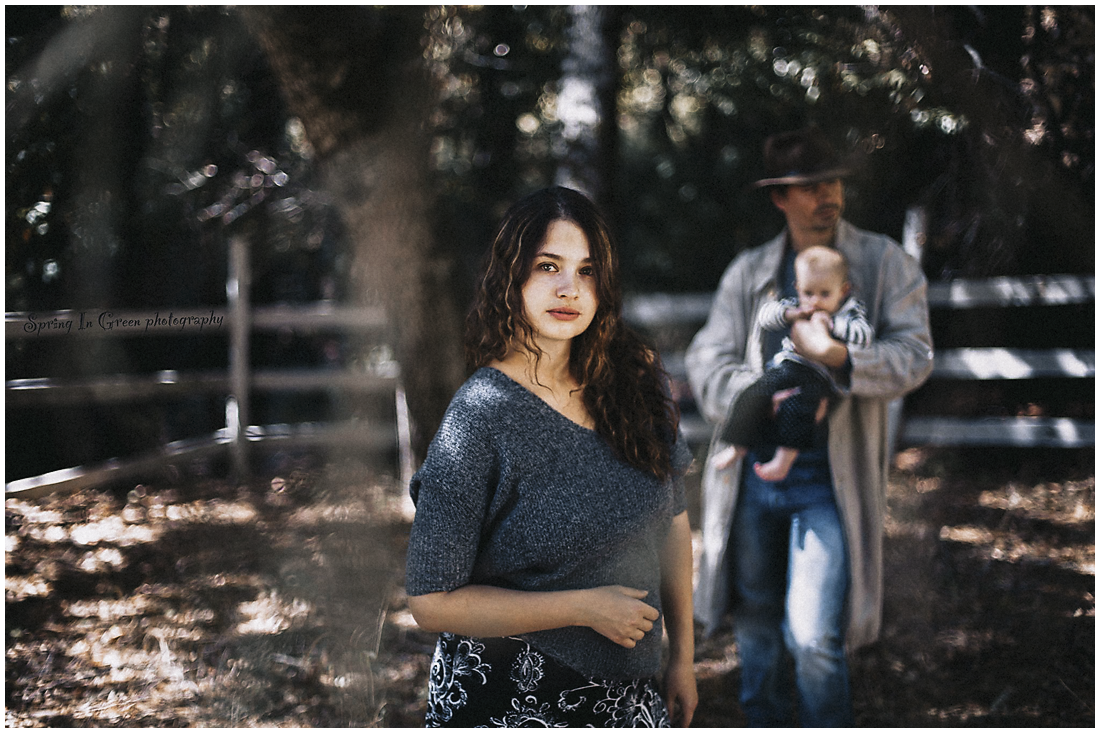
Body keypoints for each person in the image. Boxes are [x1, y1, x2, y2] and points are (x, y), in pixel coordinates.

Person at [405, 186, 698, 728]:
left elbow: (674, 524)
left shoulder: (636, 386)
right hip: (507, 696)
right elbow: (430, 600)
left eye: (587, 271)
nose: (570, 289)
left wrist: (681, 657)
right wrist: (583, 607)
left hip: (630, 700)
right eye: (548, 266)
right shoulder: (480, 414)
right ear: (510, 277)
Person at [685, 127, 933, 726]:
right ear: (779, 198)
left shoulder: (882, 264)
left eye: (833, 181)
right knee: (756, 622)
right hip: (753, 481)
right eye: (809, 186)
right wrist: (759, 399)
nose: (828, 195)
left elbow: (916, 356)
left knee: (814, 636)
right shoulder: (749, 274)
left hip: (832, 481)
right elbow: (705, 360)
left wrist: (840, 359)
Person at [714, 245, 875, 482]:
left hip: (819, 374)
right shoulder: (797, 306)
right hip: (788, 364)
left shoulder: (849, 310)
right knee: (754, 393)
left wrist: (832, 324)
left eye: (825, 294)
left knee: (799, 407)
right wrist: (790, 314)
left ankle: (783, 460)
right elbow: (765, 316)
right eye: (808, 293)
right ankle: (738, 444)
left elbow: (865, 335)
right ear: (798, 288)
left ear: (843, 291)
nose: (815, 301)